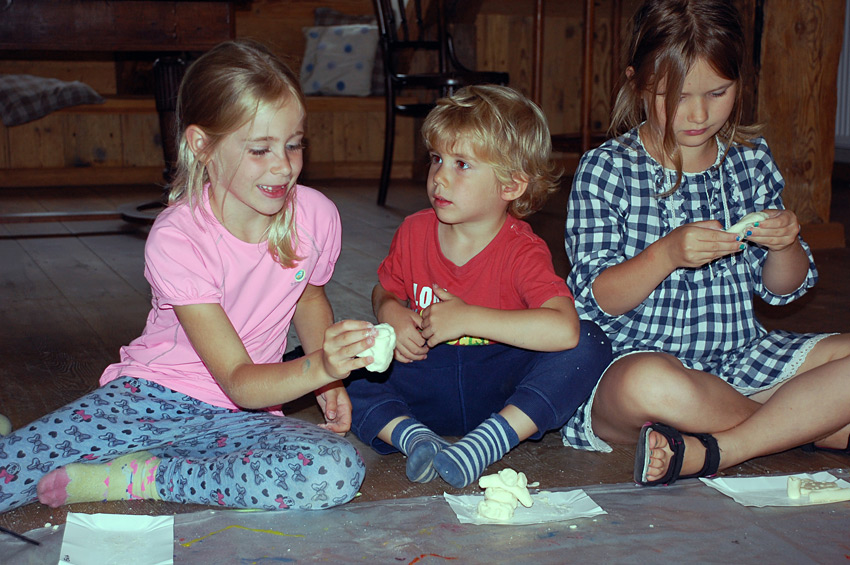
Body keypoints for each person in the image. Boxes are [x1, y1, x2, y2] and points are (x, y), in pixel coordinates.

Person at [0, 39, 377, 514]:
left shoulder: (316, 215)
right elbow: (237, 379)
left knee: (333, 469)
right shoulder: (178, 237)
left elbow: (307, 298)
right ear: (203, 145)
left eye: (293, 144)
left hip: (244, 414)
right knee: (8, 473)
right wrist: (319, 368)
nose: (283, 166)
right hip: (149, 399)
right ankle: (38, 446)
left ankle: (144, 476)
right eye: (260, 149)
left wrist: (327, 382)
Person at [561, 0, 850, 486]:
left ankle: (719, 449)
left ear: (740, 82)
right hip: (638, 364)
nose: (698, 114)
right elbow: (597, 298)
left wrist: (784, 245)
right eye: (674, 96)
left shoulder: (749, 161)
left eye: (718, 93)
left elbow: (782, 290)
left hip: (741, 360)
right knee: (647, 384)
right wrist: (666, 254)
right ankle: (806, 425)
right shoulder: (607, 169)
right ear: (637, 83)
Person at [346, 85, 612, 489]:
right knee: (340, 353)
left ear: (511, 186)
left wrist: (468, 318)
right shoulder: (414, 231)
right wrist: (389, 311)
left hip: (500, 390)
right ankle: (414, 438)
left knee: (590, 342)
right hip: (424, 375)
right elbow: (386, 288)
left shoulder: (522, 250)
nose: (440, 177)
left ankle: (488, 442)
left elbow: (564, 328)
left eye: (462, 165)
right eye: (437, 159)